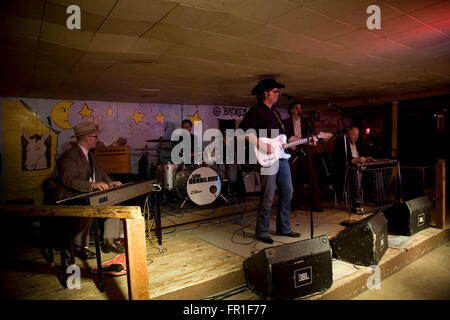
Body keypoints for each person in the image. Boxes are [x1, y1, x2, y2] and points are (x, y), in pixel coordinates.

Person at [238, 78, 300, 244]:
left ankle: (284, 227)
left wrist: (302, 141)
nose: (277, 93)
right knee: (268, 195)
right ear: (265, 93)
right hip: (267, 158)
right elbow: (242, 132)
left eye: (278, 91)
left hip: (281, 157)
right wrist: (261, 145)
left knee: (288, 191)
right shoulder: (256, 111)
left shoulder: (276, 113)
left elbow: (285, 137)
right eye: (275, 91)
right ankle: (262, 231)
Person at [56, 122, 124, 259]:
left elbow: (99, 173)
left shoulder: (89, 155)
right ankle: (79, 247)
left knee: (114, 203)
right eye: (95, 137)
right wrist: (92, 186)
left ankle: (109, 241)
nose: (97, 140)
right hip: (71, 196)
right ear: (87, 138)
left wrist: (110, 183)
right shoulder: (69, 156)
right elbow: (68, 180)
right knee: (89, 208)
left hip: (86, 194)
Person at [283, 101, 323, 212]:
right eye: (297, 108)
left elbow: (310, 136)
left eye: (301, 108)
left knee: (312, 177)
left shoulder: (306, 123)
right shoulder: (286, 122)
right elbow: (285, 137)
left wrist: (314, 141)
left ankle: (316, 204)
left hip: (305, 152)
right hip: (292, 153)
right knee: (290, 178)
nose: (300, 110)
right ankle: (292, 204)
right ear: (291, 110)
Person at [334, 125, 373, 212]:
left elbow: (361, 155)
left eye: (357, 135)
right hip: (345, 170)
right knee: (354, 173)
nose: (356, 137)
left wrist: (365, 158)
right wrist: (357, 159)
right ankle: (356, 203)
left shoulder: (357, 144)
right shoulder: (341, 143)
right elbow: (345, 159)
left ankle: (371, 197)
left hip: (358, 167)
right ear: (348, 132)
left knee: (372, 171)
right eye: (353, 134)